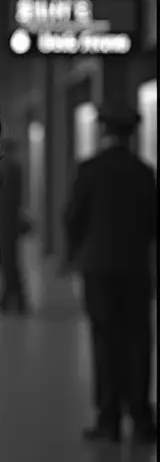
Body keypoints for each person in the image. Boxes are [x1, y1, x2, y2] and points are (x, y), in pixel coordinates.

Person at [63, 102, 157, 444]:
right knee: (138, 340)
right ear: (132, 134)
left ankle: (109, 419)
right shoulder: (144, 172)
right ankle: (142, 419)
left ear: (103, 131)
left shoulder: (90, 170)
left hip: (98, 267)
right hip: (135, 268)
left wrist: (74, 254)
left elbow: (73, 216)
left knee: (105, 340)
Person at [0, 137, 30, 313]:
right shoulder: (14, 168)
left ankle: (16, 298)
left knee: (8, 261)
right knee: (9, 260)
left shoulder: (5, 169)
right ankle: (9, 297)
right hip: (9, 220)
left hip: (4, 221)